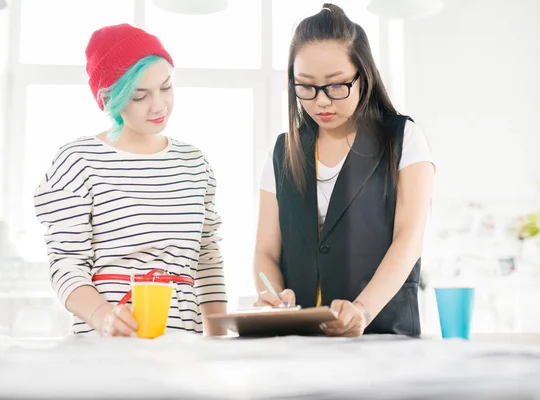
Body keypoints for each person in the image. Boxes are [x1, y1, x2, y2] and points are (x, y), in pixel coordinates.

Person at [34, 24, 227, 337]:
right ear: (113, 98)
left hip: (185, 351)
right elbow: (65, 264)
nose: (159, 105)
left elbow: (207, 258)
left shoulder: (194, 162)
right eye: (140, 96)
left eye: (166, 87)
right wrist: (102, 315)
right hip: (108, 350)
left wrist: (219, 337)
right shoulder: (79, 160)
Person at [253, 4, 435, 337]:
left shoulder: (402, 138)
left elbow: (409, 238)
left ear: (363, 76)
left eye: (336, 86)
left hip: (384, 335)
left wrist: (362, 311)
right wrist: (276, 301)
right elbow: (266, 252)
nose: (321, 102)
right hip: (301, 341)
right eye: (305, 87)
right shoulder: (282, 153)